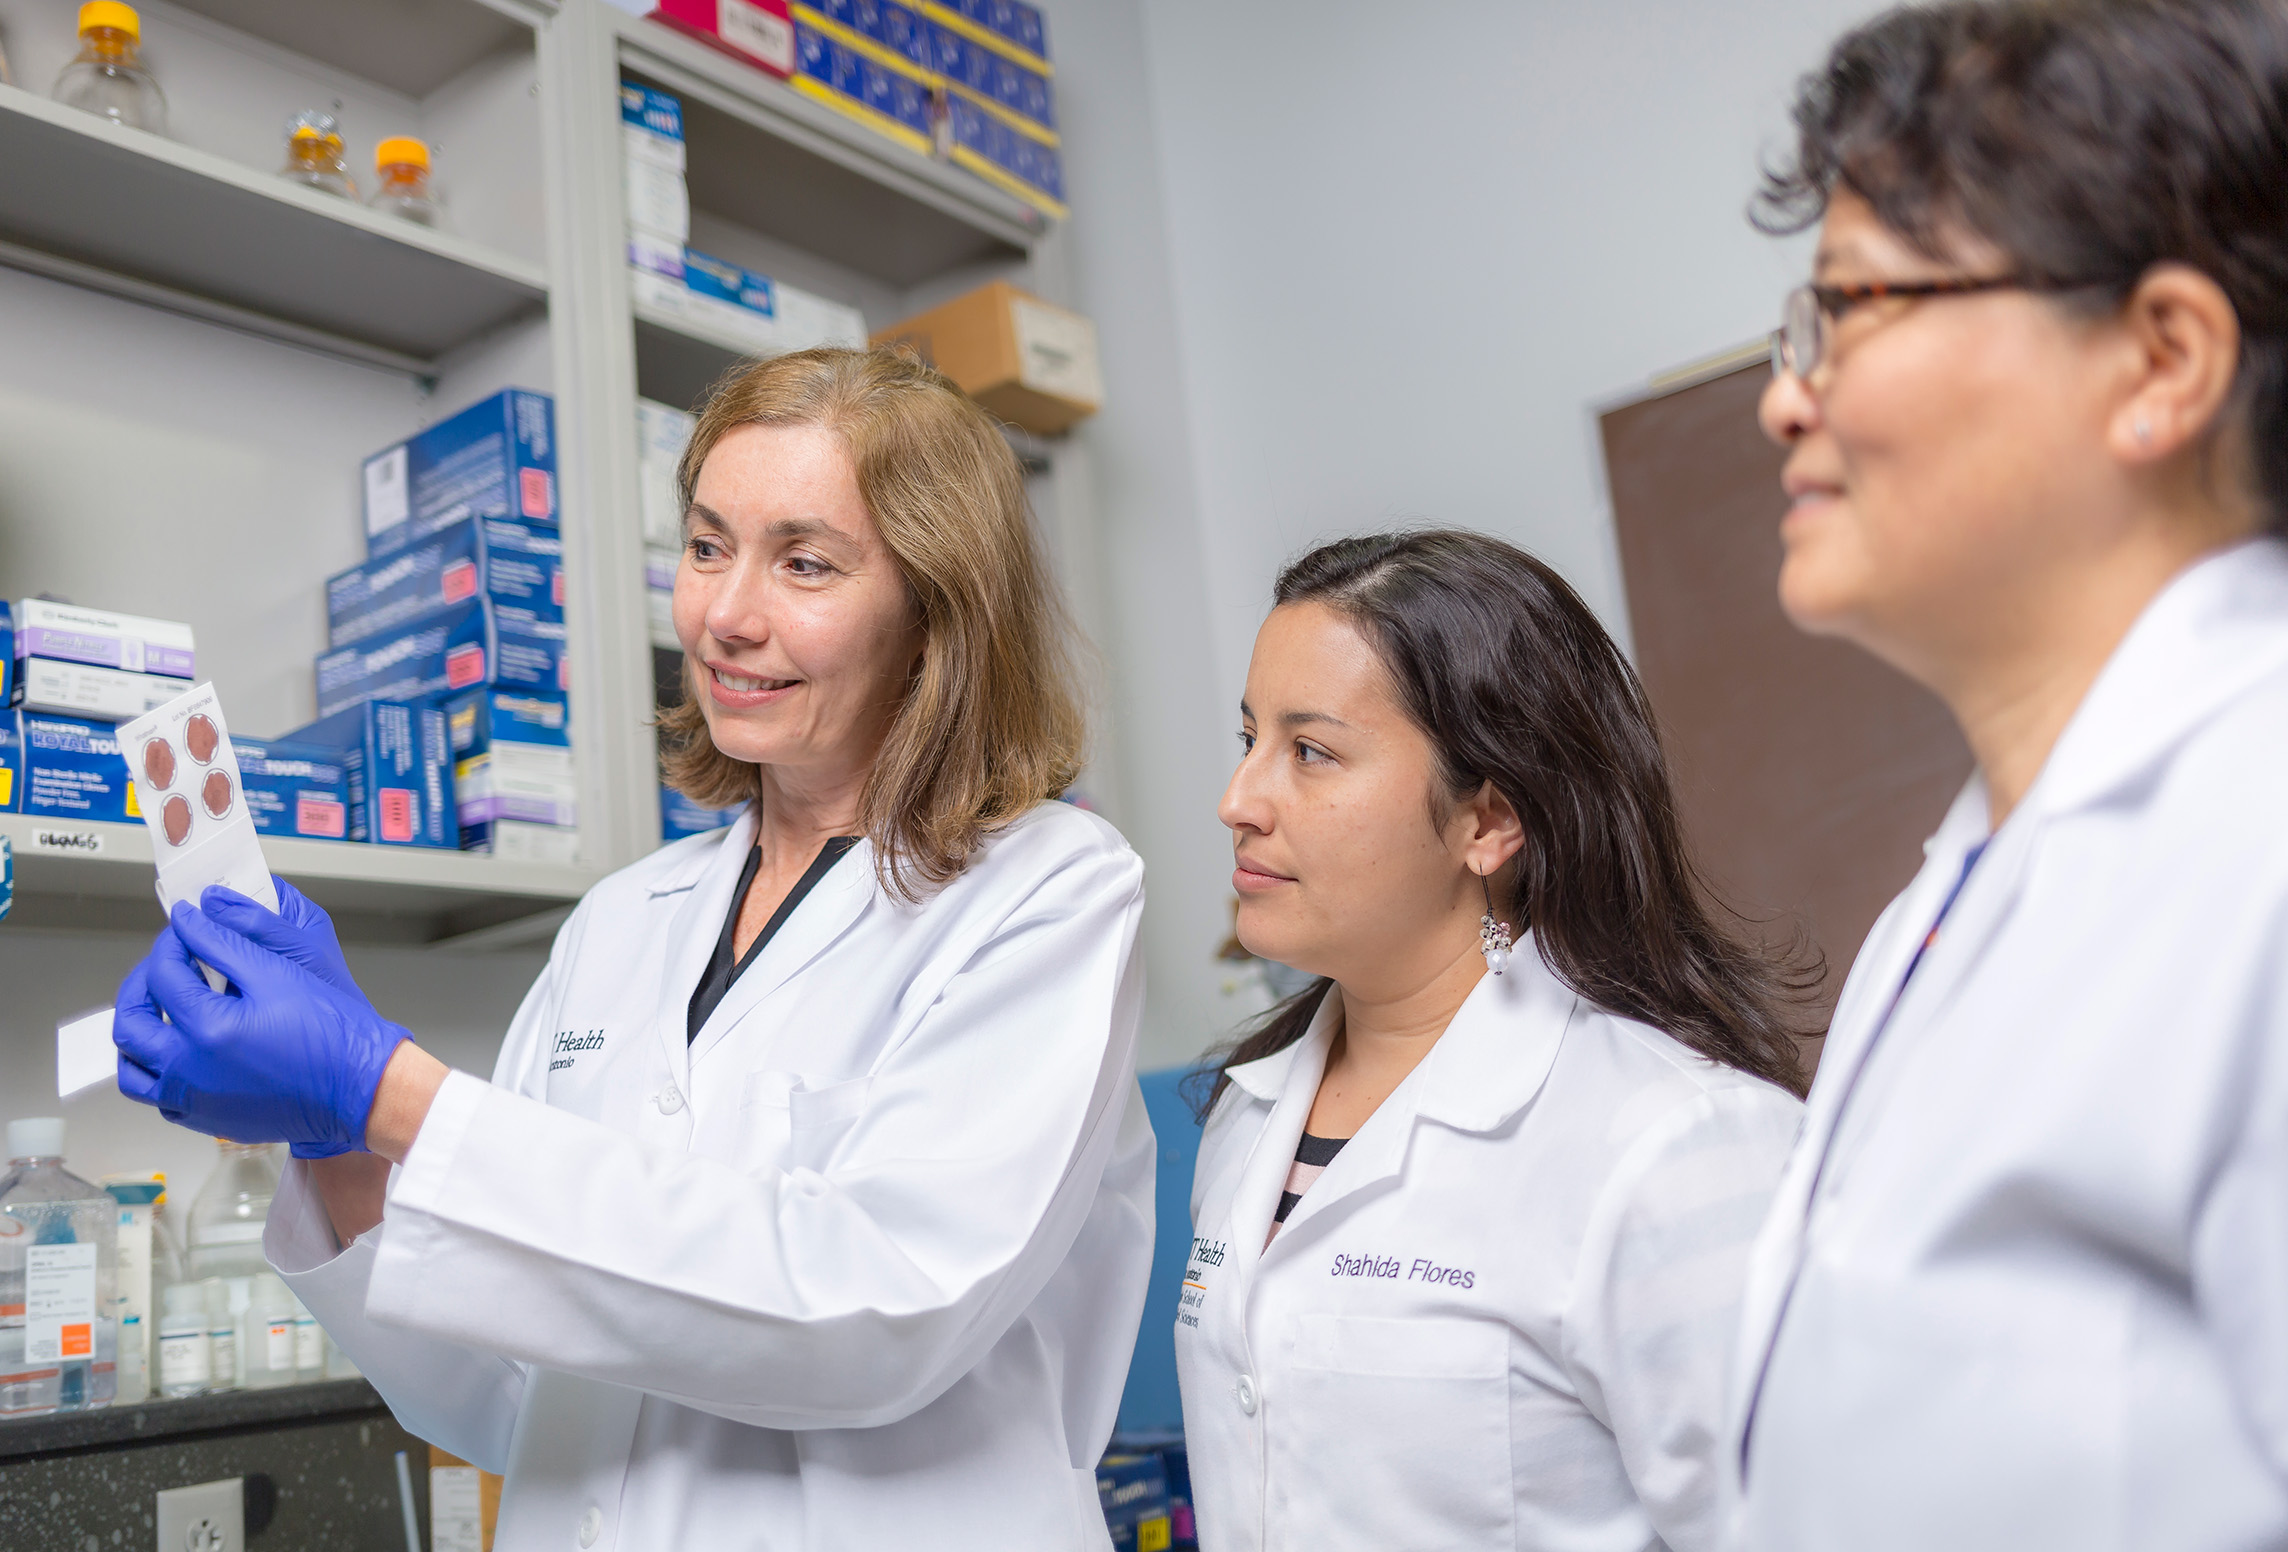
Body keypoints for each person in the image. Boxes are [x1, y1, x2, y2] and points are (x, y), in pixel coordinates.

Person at [111, 348, 1155, 1550]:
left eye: (804, 562)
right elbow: (505, 1394)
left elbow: (877, 1310)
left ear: (937, 614)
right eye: (708, 547)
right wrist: (338, 1144)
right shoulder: (622, 918)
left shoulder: (1048, 893)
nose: (725, 614)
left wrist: (389, 1090)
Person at [1726, 3, 2288, 1547]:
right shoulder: (1956, 894)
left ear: (2161, 361)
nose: (1788, 395)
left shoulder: (2259, 842)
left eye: (1856, 307)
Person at [1175, 530, 1809, 1552]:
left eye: (1309, 751)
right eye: (1247, 738)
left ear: (1488, 820)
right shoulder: (1246, 1121)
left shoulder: (1678, 1144)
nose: (1237, 801)